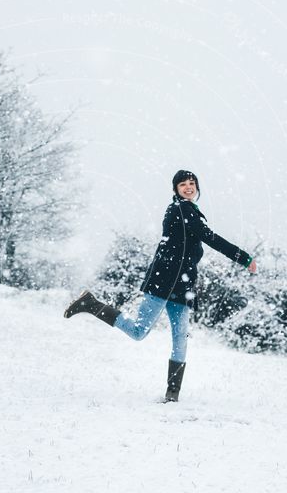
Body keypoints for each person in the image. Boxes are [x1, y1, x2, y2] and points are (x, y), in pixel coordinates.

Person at [64, 169, 257, 402]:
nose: (188, 187)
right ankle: (91, 304)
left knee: (180, 338)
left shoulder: (189, 211)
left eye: (192, 183)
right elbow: (212, 239)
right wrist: (244, 258)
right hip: (165, 282)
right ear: (175, 189)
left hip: (183, 285)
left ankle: (172, 394)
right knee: (138, 332)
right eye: (183, 184)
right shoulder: (182, 209)